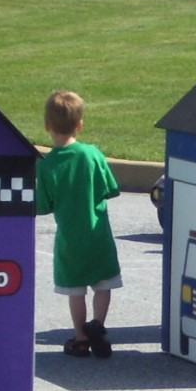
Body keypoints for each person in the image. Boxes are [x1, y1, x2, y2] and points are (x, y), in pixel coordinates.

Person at [36, 90, 122, 359]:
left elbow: (42, 206)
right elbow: (110, 188)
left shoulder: (47, 165)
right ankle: (98, 323)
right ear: (80, 124)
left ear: (47, 125)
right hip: (98, 234)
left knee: (75, 290)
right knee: (103, 283)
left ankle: (81, 337)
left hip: (69, 238)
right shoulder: (92, 154)